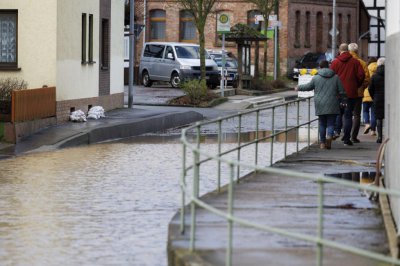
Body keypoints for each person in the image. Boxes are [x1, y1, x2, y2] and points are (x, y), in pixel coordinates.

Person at [295, 60, 347, 149]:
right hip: (333, 102)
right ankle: (329, 136)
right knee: (331, 123)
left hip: (320, 103)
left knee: (322, 123)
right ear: (329, 66)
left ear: (320, 67)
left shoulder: (316, 78)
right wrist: (344, 100)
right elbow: (342, 91)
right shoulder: (336, 77)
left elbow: (308, 87)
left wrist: (298, 87)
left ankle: (322, 143)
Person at [330, 43, 365, 146]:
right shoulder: (355, 62)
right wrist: (356, 85)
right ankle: (346, 139)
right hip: (351, 93)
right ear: (348, 51)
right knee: (348, 116)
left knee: (338, 113)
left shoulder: (335, 62)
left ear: (340, 51)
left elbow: (331, 76)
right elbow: (361, 75)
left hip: (338, 94)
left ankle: (336, 132)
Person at [348, 43, 370, 143]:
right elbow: (367, 79)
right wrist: (361, 87)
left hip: (346, 92)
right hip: (358, 93)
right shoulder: (362, 62)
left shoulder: (344, 61)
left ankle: (345, 136)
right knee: (357, 115)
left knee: (346, 114)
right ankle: (353, 136)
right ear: (357, 51)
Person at [368, 57, 385, 143]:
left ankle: (380, 137)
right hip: (387, 98)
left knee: (379, 118)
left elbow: (370, 88)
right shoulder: (390, 75)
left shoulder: (374, 76)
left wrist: (373, 96)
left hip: (377, 98)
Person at [363, 57, 378, 136]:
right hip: (375, 95)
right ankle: (373, 131)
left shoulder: (366, 69)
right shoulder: (379, 70)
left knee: (365, 111)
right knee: (373, 113)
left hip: (366, 93)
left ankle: (367, 123)